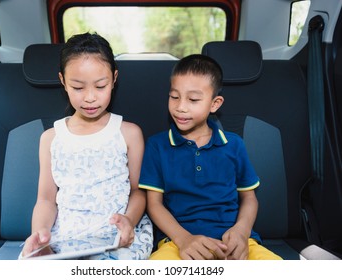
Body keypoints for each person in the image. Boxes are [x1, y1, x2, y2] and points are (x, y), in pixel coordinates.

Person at [20, 32, 153, 260]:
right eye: (78, 88)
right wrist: (40, 234)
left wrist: (129, 221)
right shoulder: (51, 138)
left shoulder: (129, 133)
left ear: (114, 79)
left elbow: (137, 191)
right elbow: (45, 199)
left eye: (100, 86)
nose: (90, 98)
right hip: (68, 238)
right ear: (63, 81)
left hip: (117, 236)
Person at [139, 54, 282, 260]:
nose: (181, 106)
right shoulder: (157, 145)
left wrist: (241, 232)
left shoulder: (233, 145)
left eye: (193, 99)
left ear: (215, 104)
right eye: (174, 96)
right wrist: (184, 239)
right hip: (178, 242)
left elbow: (249, 197)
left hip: (235, 241)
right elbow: (154, 204)